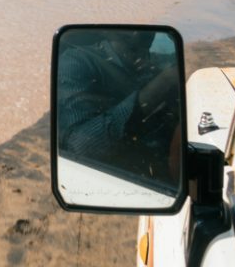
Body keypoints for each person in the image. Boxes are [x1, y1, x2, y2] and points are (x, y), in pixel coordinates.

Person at [57, 30, 181, 187]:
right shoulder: (77, 61)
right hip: (126, 183)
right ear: (107, 31)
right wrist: (161, 85)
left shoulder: (155, 64)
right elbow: (80, 145)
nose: (141, 32)